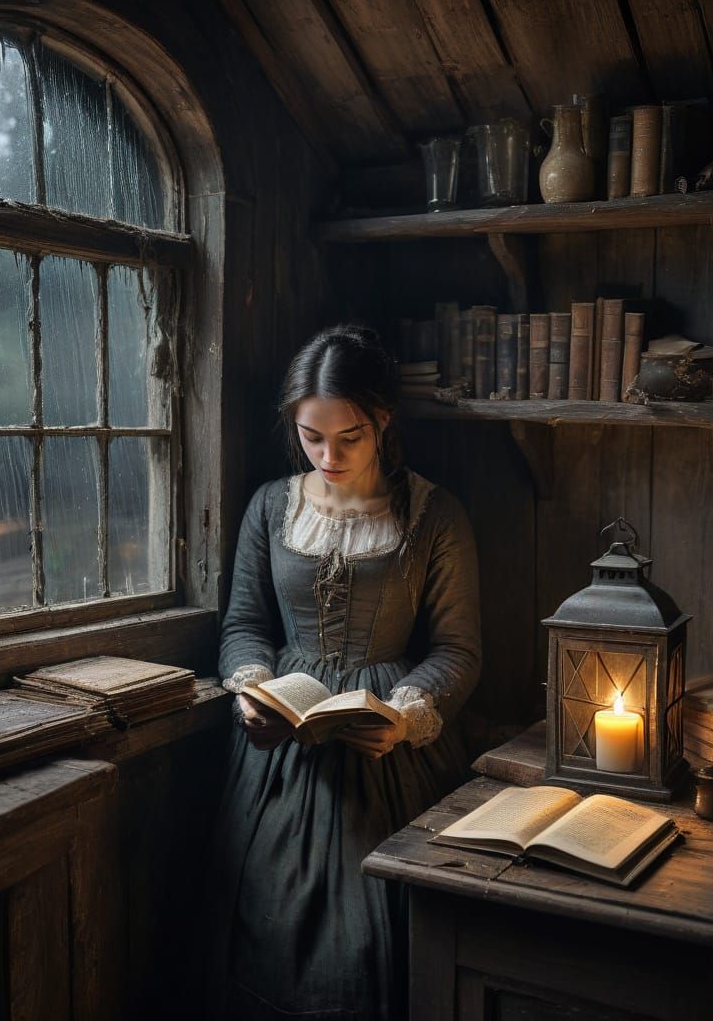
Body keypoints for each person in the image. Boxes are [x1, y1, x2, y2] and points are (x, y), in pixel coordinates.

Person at [206, 325, 481, 1020]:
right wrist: (249, 691)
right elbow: (244, 624)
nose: (329, 455)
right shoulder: (271, 506)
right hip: (278, 751)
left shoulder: (436, 515)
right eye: (312, 436)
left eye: (349, 436)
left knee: (370, 944)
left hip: (386, 744)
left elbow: (458, 649)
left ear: (383, 420)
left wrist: (407, 715)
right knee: (265, 930)